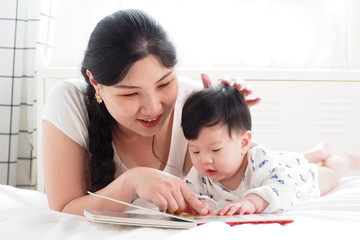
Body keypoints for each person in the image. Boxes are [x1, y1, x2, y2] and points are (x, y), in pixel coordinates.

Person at [42, 9, 260, 216]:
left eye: (164, 84)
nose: (153, 108)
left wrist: (227, 123)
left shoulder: (191, 101)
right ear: (95, 82)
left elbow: (243, 187)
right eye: (130, 94)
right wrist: (131, 182)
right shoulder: (69, 100)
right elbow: (63, 210)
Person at [181, 84, 360, 215]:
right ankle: (313, 153)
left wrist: (252, 201)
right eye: (195, 151)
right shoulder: (201, 172)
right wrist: (196, 204)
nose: (203, 160)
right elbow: (189, 195)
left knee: (329, 173)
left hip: (293, 179)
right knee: (281, 161)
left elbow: (282, 188)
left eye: (216, 150)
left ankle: (341, 159)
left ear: (244, 143)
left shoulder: (257, 159)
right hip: (275, 163)